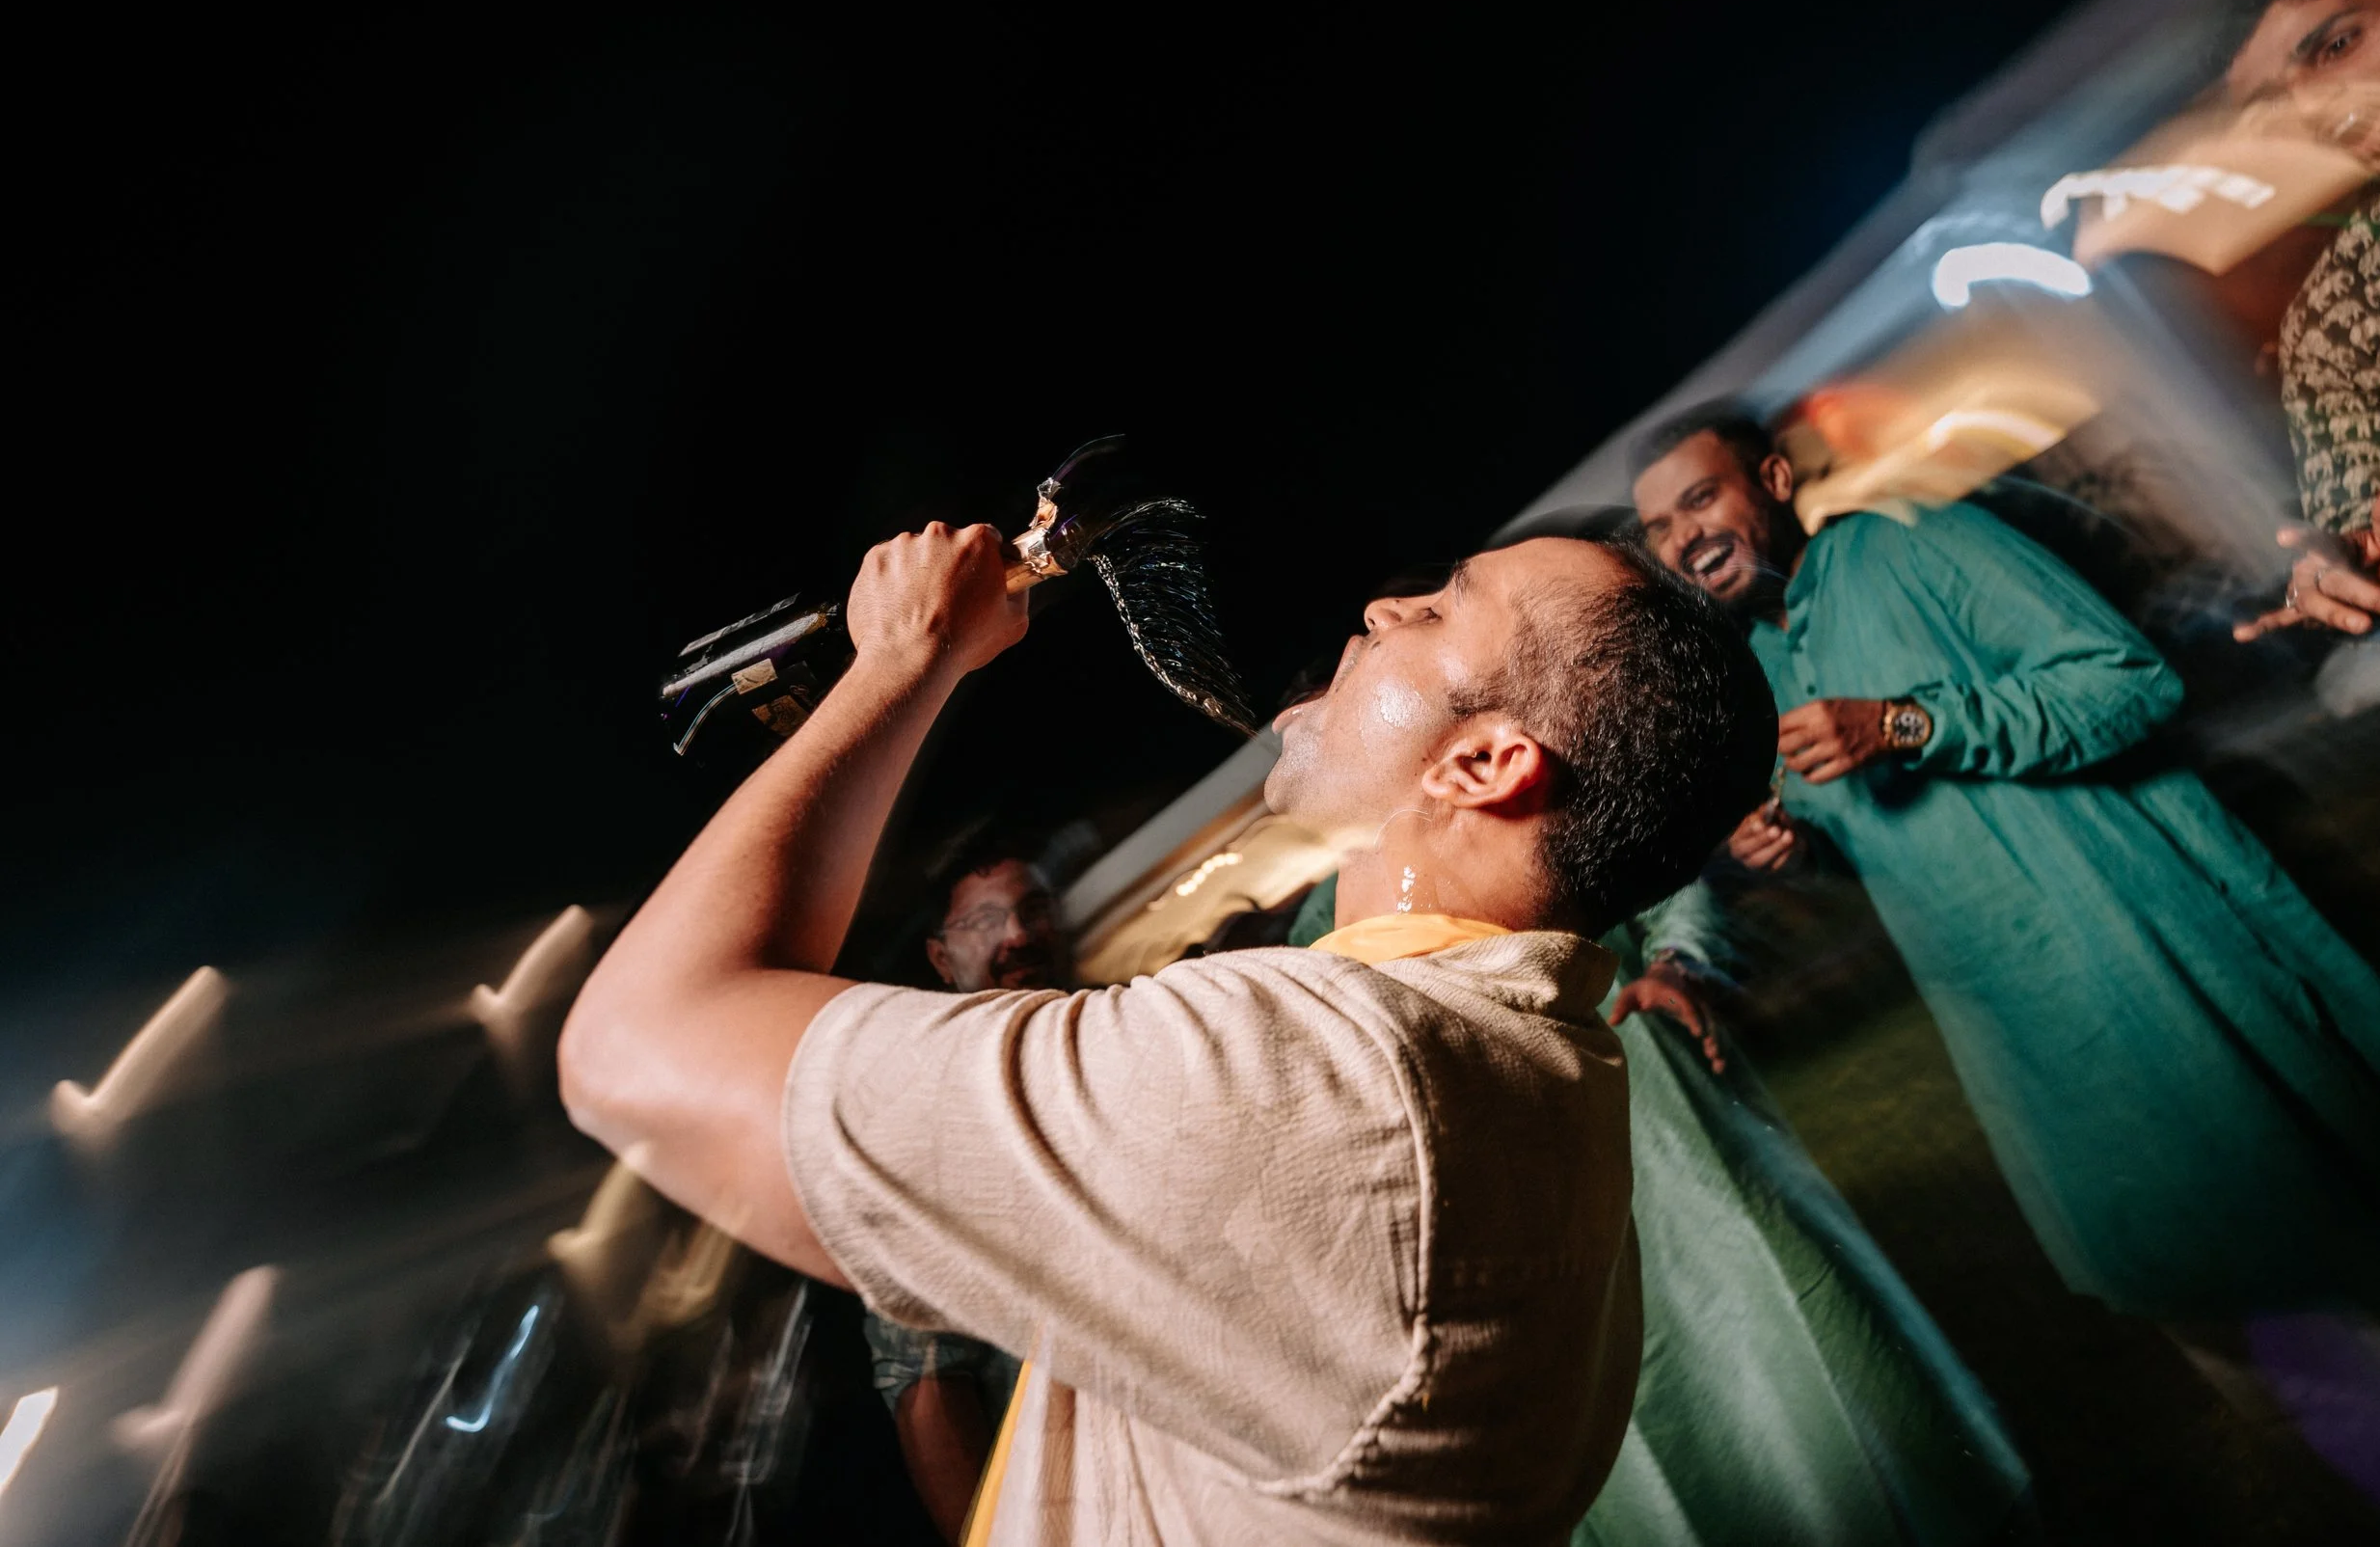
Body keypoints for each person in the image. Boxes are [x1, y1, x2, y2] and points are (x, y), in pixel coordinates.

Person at [555, 520, 1777, 1543]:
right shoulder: (1535, 1062)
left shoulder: (1314, 1078)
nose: (1383, 605)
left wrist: (899, 659)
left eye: (1444, 609)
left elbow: (638, 1040)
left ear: (1483, 762)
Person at [1630, 405, 2380, 1329]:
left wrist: (1905, 722)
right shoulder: (1759, 668)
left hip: (2147, 949)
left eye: (1701, 498)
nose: (1686, 537)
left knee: (2338, 1214)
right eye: (1661, 528)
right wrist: (1802, 844)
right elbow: (1890, 837)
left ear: (1773, 481)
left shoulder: (1916, 544)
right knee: (2217, 1290)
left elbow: (2128, 680)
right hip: (2027, 1034)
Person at [1284, 869, 2034, 1547]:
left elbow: (1673, 884)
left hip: (1665, 1123)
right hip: (1513, 1198)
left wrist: (1681, 964)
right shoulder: (1317, 935)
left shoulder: (1519, 800)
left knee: (1798, 1336)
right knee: (1621, 1404)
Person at [858, 847, 1060, 1541]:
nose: (1018, 936)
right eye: (984, 920)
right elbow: (928, 1376)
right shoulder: (929, 1119)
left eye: (1032, 910)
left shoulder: (1113, 1030)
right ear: (942, 960)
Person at [2224, 0, 2380, 645]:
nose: (2319, 109)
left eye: (2337, 45)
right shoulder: (2343, 306)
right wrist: (2350, 559)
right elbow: (2356, 515)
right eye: (2273, 103)